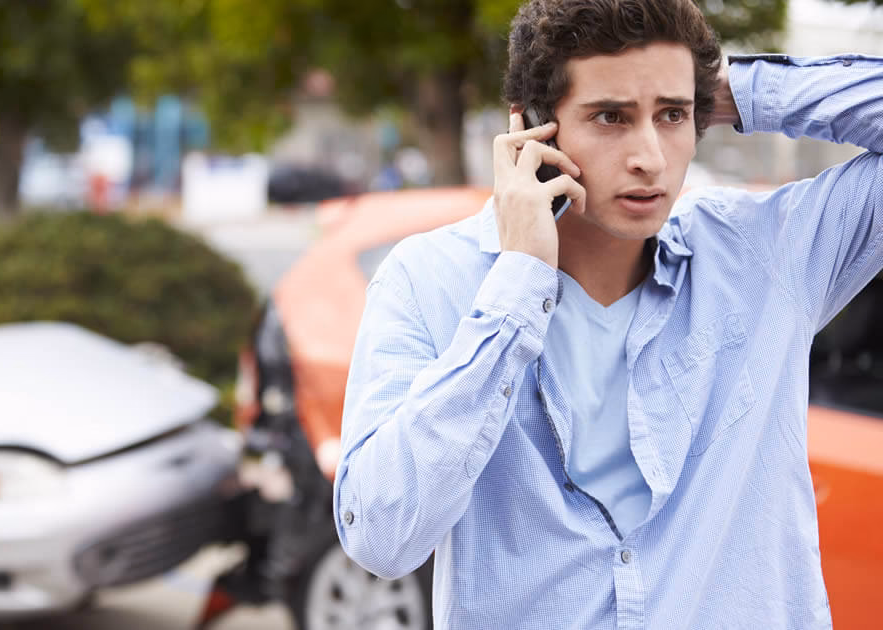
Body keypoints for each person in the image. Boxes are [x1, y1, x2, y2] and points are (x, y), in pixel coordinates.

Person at [333, 0, 882, 627]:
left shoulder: (766, 255)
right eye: (611, 117)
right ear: (537, 127)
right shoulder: (429, 279)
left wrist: (733, 92)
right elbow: (381, 536)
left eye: (671, 116)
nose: (650, 155)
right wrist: (518, 287)